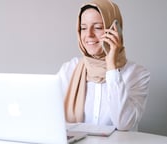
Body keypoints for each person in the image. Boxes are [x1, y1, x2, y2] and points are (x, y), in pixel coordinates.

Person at [57, 0, 150, 131]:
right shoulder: (69, 69)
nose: (88, 34)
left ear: (115, 30)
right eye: (83, 28)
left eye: (98, 27)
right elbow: (49, 114)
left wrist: (111, 66)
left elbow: (124, 124)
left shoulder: (138, 74)